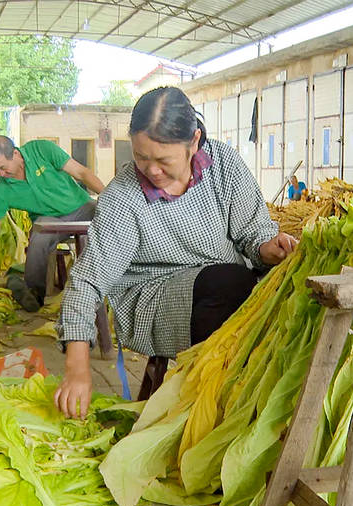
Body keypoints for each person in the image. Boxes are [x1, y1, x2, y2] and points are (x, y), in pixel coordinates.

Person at [54, 87, 298, 418]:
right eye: (142, 157)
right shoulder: (124, 197)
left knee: (275, 290)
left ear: (194, 141)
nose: (152, 171)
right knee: (232, 285)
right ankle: (218, 406)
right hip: (153, 298)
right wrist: (77, 367)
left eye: (164, 160)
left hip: (226, 284)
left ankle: (258, 400)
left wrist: (269, 248)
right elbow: (87, 282)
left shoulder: (224, 164)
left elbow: (253, 232)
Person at [0, 136, 105, 311]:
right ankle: (33, 294)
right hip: (49, 220)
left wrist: (109, 200)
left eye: (2, 168)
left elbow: (82, 173)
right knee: (38, 238)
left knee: (110, 219)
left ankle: (111, 282)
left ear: (15, 154)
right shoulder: (1, 189)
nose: (0, 174)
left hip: (81, 207)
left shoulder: (42, 149)